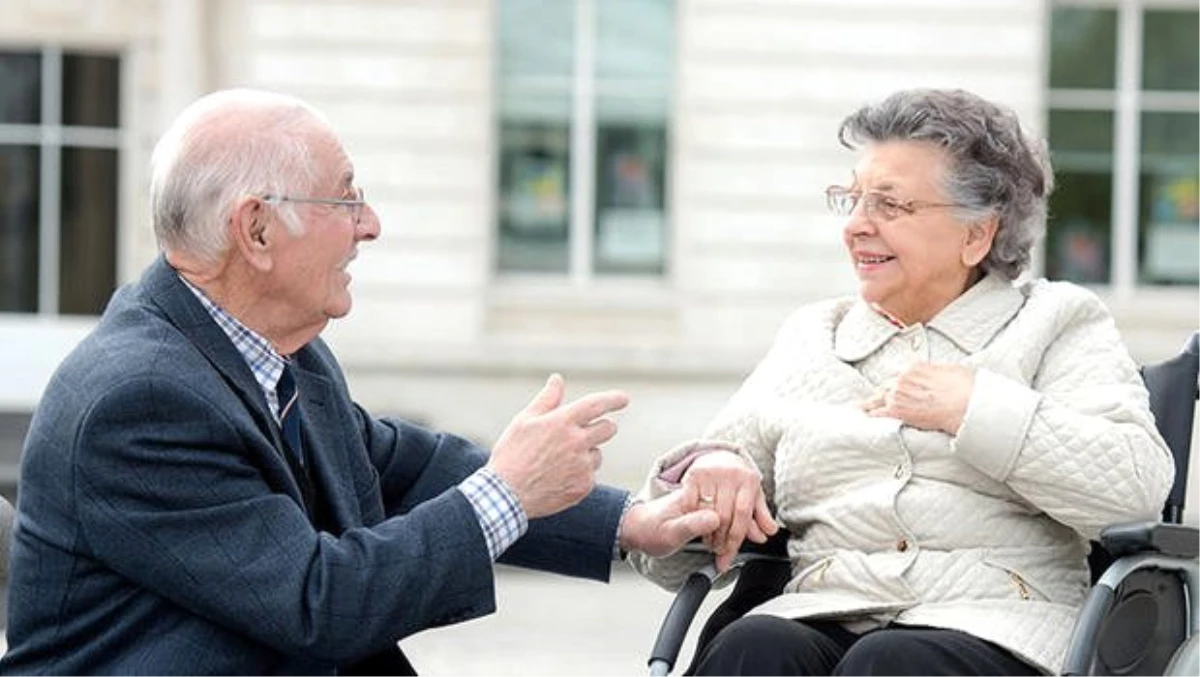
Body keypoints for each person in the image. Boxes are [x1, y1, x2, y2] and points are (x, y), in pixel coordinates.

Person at [0, 88, 766, 675]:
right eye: (346, 198)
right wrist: (508, 489)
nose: (371, 223)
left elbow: (406, 468)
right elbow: (318, 602)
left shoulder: (279, 347)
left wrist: (629, 519)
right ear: (257, 230)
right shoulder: (137, 401)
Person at [631, 88, 1176, 677]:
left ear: (978, 234)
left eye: (889, 205)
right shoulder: (815, 336)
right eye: (852, 199)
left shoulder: (1056, 323)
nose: (856, 226)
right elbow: (660, 557)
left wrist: (976, 408)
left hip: (998, 624)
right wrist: (708, 476)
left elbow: (1135, 488)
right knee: (753, 647)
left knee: (891, 663)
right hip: (821, 609)